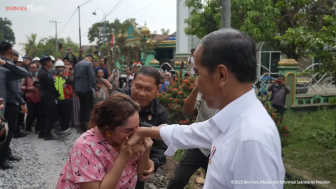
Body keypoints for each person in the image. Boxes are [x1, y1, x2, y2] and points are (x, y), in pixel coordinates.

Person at [127, 28, 285, 188]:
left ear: (221, 75)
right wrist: (142, 131)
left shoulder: (251, 138)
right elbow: (189, 133)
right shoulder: (231, 119)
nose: (196, 83)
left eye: (197, 74)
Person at [56, 94, 152, 189]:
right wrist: (123, 157)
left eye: (137, 127)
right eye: (128, 130)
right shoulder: (86, 146)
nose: (136, 133)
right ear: (108, 129)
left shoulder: (130, 139)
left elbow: (142, 174)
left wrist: (146, 152)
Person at [112, 66, 169, 189]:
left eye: (148, 89)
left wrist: (154, 162)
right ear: (131, 83)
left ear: (158, 89)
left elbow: (161, 146)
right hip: (109, 163)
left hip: (136, 171)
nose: (142, 93)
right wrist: (151, 130)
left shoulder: (160, 113)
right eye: (138, 87)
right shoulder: (118, 97)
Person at [168, 79, 216, 189]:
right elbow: (187, 109)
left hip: (218, 149)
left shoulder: (231, 95)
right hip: (198, 145)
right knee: (178, 180)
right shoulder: (204, 89)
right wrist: (196, 89)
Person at [0, 42, 29, 169]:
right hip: (9, 102)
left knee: (6, 130)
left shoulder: (4, 67)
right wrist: (21, 102)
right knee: (7, 130)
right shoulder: (5, 67)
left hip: (5, 103)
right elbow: (15, 86)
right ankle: (3, 157)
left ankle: (6, 153)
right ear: (11, 51)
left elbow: (23, 73)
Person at [74, 54, 97, 132]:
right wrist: (95, 87)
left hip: (79, 89)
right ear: (90, 58)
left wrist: (75, 88)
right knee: (88, 108)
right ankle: (88, 127)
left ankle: (82, 127)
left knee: (82, 107)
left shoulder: (77, 64)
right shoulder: (89, 64)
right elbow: (92, 76)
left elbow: (74, 77)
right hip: (86, 89)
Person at [38, 56, 60, 140]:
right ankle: (48, 134)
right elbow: (51, 86)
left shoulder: (41, 71)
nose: (51, 63)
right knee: (50, 115)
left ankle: (41, 133)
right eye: (50, 62)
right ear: (47, 63)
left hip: (44, 95)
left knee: (43, 114)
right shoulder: (46, 73)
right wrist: (57, 93)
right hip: (49, 96)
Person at [21, 62, 43, 134]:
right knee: (30, 114)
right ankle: (28, 128)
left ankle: (38, 129)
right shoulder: (26, 77)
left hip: (39, 99)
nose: (33, 69)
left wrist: (40, 86)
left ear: (37, 68)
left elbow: (46, 86)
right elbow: (21, 87)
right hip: (29, 99)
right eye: (31, 68)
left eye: (34, 67)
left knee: (39, 115)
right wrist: (28, 88)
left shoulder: (41, 76)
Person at [54, 60, 73, 134]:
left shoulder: (67, 75)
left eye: (61, 67)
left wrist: (65, 77)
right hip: (58, 99)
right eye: (58, 67)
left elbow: (71, 82)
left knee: (66, 114)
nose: (59, 69)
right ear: (55, 68)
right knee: (60, 114)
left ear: (64, 68)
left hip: (67, 98)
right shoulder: (54, 77)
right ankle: (61, 127)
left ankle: (66, 127)